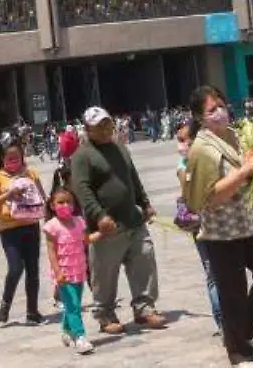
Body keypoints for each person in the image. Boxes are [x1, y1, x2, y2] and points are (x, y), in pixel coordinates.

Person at [184, 86, 253, 367]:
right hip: (222, 233)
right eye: (211, 110)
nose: (219, 113)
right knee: (233, 293)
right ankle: (237, 351)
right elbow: (208, 197)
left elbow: (251, 172)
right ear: (199, 117)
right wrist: (244, 172)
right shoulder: (202, 149)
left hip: (250, 225)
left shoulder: (237, 136)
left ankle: (238, 336)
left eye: (221, 105)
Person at [70, 106, 165, 335]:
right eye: (98, 126)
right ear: (87, 130)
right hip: (107, 228)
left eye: (107, 124)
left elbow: (133, 177)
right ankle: (105, 314)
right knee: (105, 272)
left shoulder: (120, 147)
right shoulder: (82, 156)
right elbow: (82, 190)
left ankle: (144, 308)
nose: (105, 130)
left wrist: (145, 203)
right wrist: (99, 215)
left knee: (144, 259)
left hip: (133, 220)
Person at [0, 140, 47, 326]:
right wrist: (8, 195)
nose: (13, 162)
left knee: (33, 269)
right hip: (9, 228)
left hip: (31, 225)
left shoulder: (31, 173)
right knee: (15, 268)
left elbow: (43, 197)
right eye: (9, 158)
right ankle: (5, 303)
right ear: (2, 158)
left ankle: (32, 311)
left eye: (17, 158)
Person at [173, 121, 222, 334]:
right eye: (179, 140)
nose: (181, 145)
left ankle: (229, 317)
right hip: (200, 224)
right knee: (213, 272)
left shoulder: (203, 161)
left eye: (185, 140)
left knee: (221, 270)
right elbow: (189, 196)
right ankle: (222, 320)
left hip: (216, 221)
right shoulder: (184, 167)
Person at [44, 188, 98, 355]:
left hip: (79, 269)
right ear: (52, 205)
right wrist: (57, 272)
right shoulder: (51, 227)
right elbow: (51, 252)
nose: (65, 205)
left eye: (68, 202)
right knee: (74, 305)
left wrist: (103, 233)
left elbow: (86, 240)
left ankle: (67, 329)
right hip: (64, 273)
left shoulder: (79, 221)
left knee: (72, 304)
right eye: (60, 202)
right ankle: (80, 337)